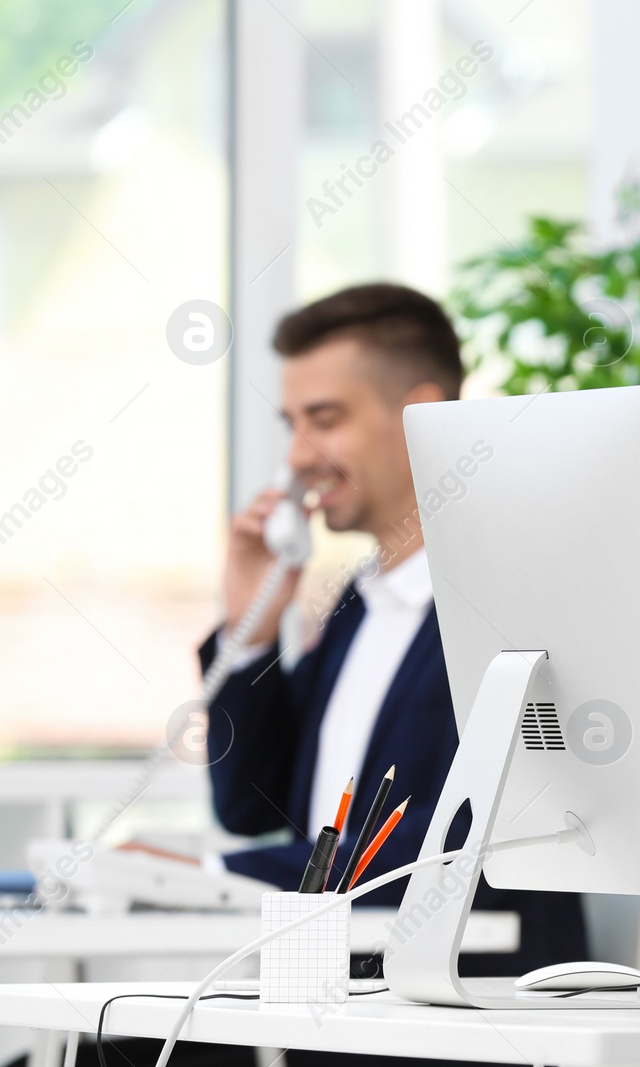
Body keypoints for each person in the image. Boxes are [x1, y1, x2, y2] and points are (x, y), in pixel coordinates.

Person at [196, 284, 587, 985]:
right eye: (292, 424)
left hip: (452, 1012)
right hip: (322, 997)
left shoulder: (514, 598)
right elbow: (250, 806)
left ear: (422, 413)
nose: (299, 455)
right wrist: (247, 626)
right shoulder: (359, 601)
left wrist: (217, 871)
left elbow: (457, 844)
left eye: (325, 419)